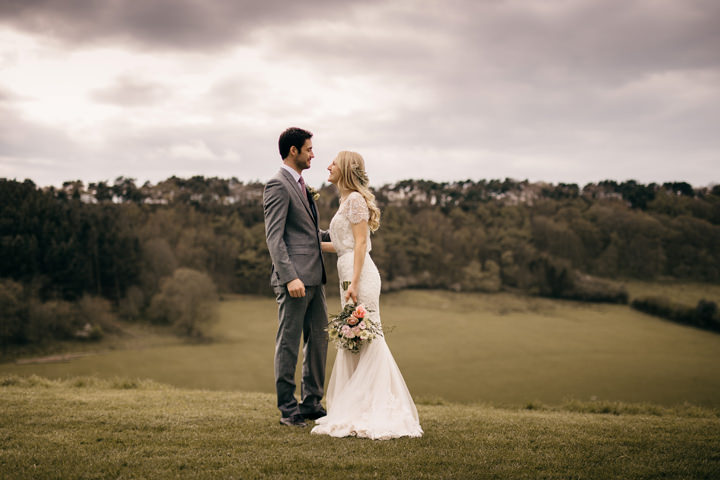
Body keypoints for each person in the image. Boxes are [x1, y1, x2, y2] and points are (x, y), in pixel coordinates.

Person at [311, 151, 423, 440]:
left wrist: (355, 283)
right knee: (354, 339)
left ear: (345, 168)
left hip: (359, 276)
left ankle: (376, 409)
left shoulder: (356, 201)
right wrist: (311, 244)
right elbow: (343, 245)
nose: (328, 166)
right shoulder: (345, 201)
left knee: (368, 337)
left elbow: (361, 244)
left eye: (333, 163)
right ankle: (358, 405)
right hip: (348, 271)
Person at [263, 127, 330, 427]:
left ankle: (312, 402)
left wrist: (346, 234)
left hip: (315, 278)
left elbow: (309, 234)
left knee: (319, 339)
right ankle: (288, 408)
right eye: (309, 149)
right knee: (289, 343)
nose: (313, 154)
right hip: (294, 282)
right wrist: (290, 277)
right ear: (294, 151)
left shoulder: (302, 185)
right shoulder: (277, 185)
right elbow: (274, 238)